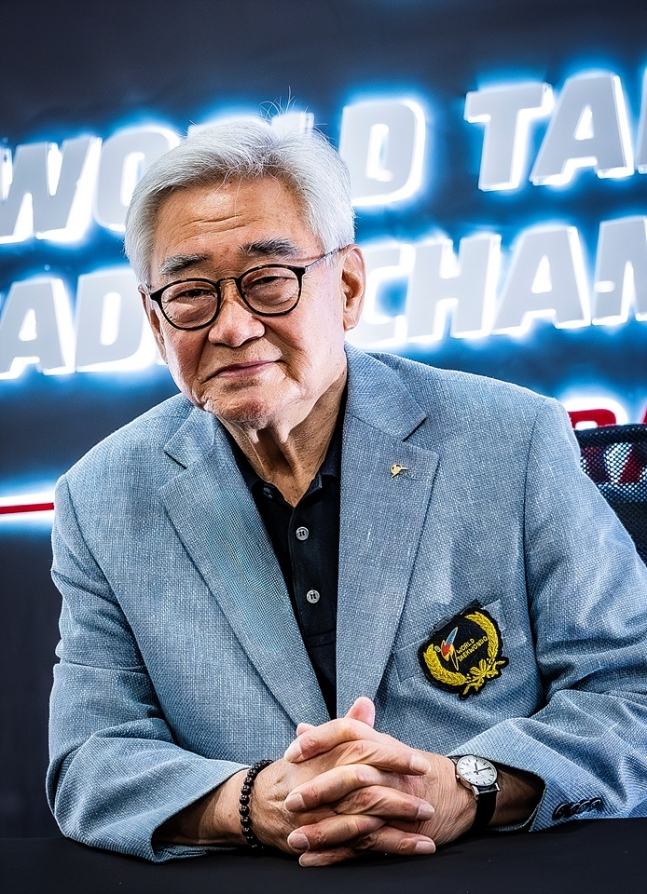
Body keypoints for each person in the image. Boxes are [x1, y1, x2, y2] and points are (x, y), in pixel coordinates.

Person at [47, 120, 647, 867]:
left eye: (269, 279)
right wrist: (250, 802)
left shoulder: (511, 438)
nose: (232, 326)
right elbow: (90, 758)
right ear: (154, 319)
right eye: (191, 293)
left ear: (349, 287)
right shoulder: (101, 499)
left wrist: (466, 786)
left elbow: (630, 693)